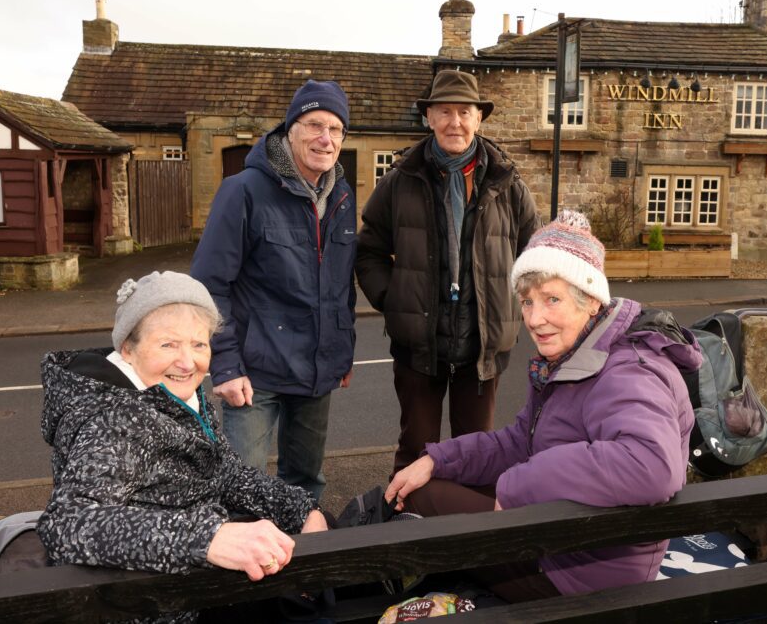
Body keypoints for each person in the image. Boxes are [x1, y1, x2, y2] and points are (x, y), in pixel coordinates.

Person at [384, 211, 699, 602]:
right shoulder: (572, 356)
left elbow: (651, 465)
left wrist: (520, 486)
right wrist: (437, 459)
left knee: (421, 500)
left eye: (552, 299)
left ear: (590, 301)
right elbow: (519, 443)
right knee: (430, 482)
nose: (535, 318)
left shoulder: (627, 369)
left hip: (581, 576)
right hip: (565, 541)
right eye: (527, 301)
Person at [37, 272, 327, 612]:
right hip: (149, 605)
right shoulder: (116, 419)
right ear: (128, 348)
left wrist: (300, 508)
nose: (188, 362)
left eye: (199, 344)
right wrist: (207, 538)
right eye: (168, 344)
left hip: (195, 588)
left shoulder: (175, 394)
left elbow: (224, 471)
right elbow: (68, 523)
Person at [356, 69, 539, 476]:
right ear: (430, 118)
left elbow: (534, 256)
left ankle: (466, 537)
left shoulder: (507, 183)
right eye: (444, 112)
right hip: (418, 349)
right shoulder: (400, 179)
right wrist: (393, 298)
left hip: (481, 350)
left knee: (475, 456)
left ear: (479, 118)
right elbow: (368, 251)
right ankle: (410, 530)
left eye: (464, 112)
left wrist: (516, 308)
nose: (454, 122)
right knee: (414, 452)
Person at [191, 80, 356, 502]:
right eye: (315, 124)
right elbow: (209, 285)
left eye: (336, 129)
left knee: (304, 484)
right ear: (290, 130)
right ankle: (241, 566)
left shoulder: (341, 194)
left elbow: (340, 282)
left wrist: (342, 349)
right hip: (254, 374)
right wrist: (225, 365)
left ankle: (298, 562)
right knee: (240, 489)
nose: (326, 138)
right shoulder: (243, 191)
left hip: (316, 370)